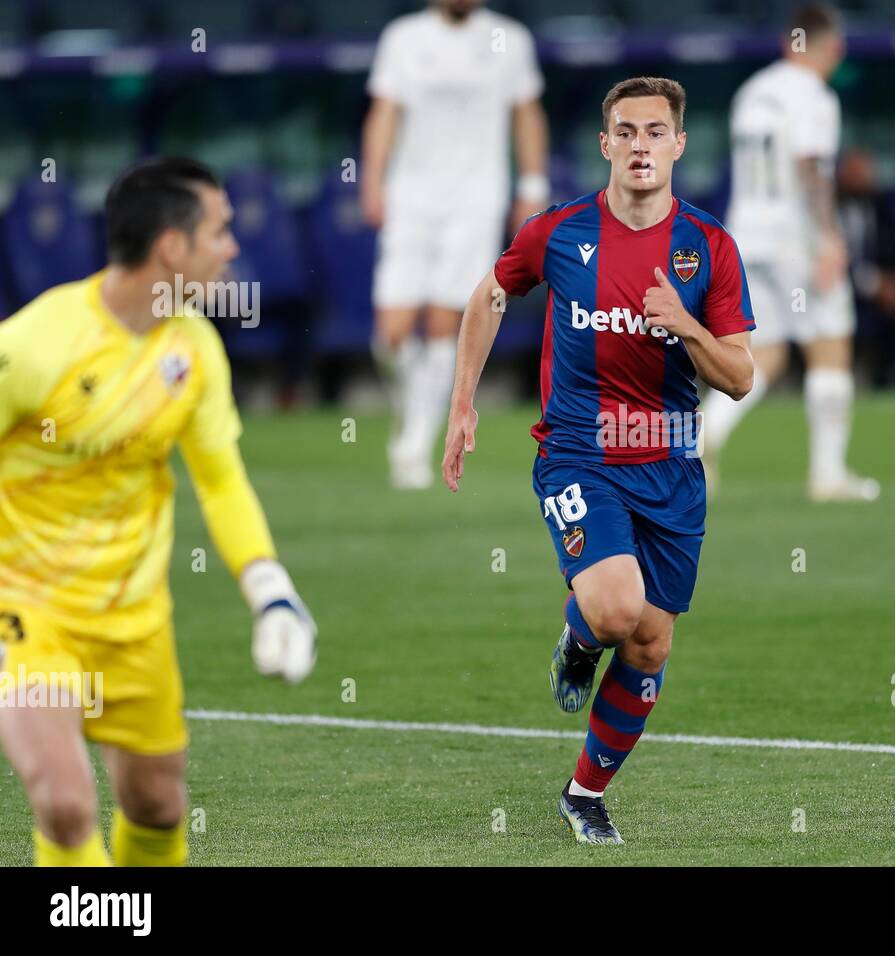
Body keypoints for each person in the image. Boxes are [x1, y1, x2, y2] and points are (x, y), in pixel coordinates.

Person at [441, 77, 754, 845]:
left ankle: (584, 794)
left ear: (679, 145)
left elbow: (740, 377)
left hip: (674, 466)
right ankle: (582, 637)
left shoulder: (709, 247)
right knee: (616, 609)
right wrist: (462, 403)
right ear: (605, 144)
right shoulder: (559, 231)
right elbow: (489, 295)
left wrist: (683, 323)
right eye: (626, 131)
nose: (640, 145)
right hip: (580, 454)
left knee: (649, 639)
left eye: (655, 132)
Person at [0, 157, 316, 867]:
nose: (233, 247)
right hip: (25, 610)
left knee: (157, 806)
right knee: (64, 800)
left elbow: (220, 481)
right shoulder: (32, 345)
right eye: (221, 231)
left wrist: (274, 596)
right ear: (173, 247)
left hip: (135, 620)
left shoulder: (195, 349)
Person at [362, 0, 549, 488]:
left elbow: (526, 113)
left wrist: (531, 185)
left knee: (448, 320)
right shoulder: (403, 37)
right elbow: (384, 112)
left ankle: (415, 442)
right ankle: (414, 407)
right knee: (392, 331)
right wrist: (373, 181)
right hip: (412, 195)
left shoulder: (510, 38)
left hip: (476, 196)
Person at [700, 3, 879, 502]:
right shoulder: (815, 97)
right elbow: (810, 167)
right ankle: (828, 474)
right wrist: (828, 237)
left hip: (747, 234)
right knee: (830, 344)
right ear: (833, 49)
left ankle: (700, 437)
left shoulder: (753, 91)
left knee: (766, 354)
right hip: (794, 237)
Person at [837, 147, 895, 387]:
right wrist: (872, 283)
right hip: (832, 284)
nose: (862, 179)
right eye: (855, 173)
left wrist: (890, 281)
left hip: (872, 285)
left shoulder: (883, 206)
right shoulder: (825, 206)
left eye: (866, 173)